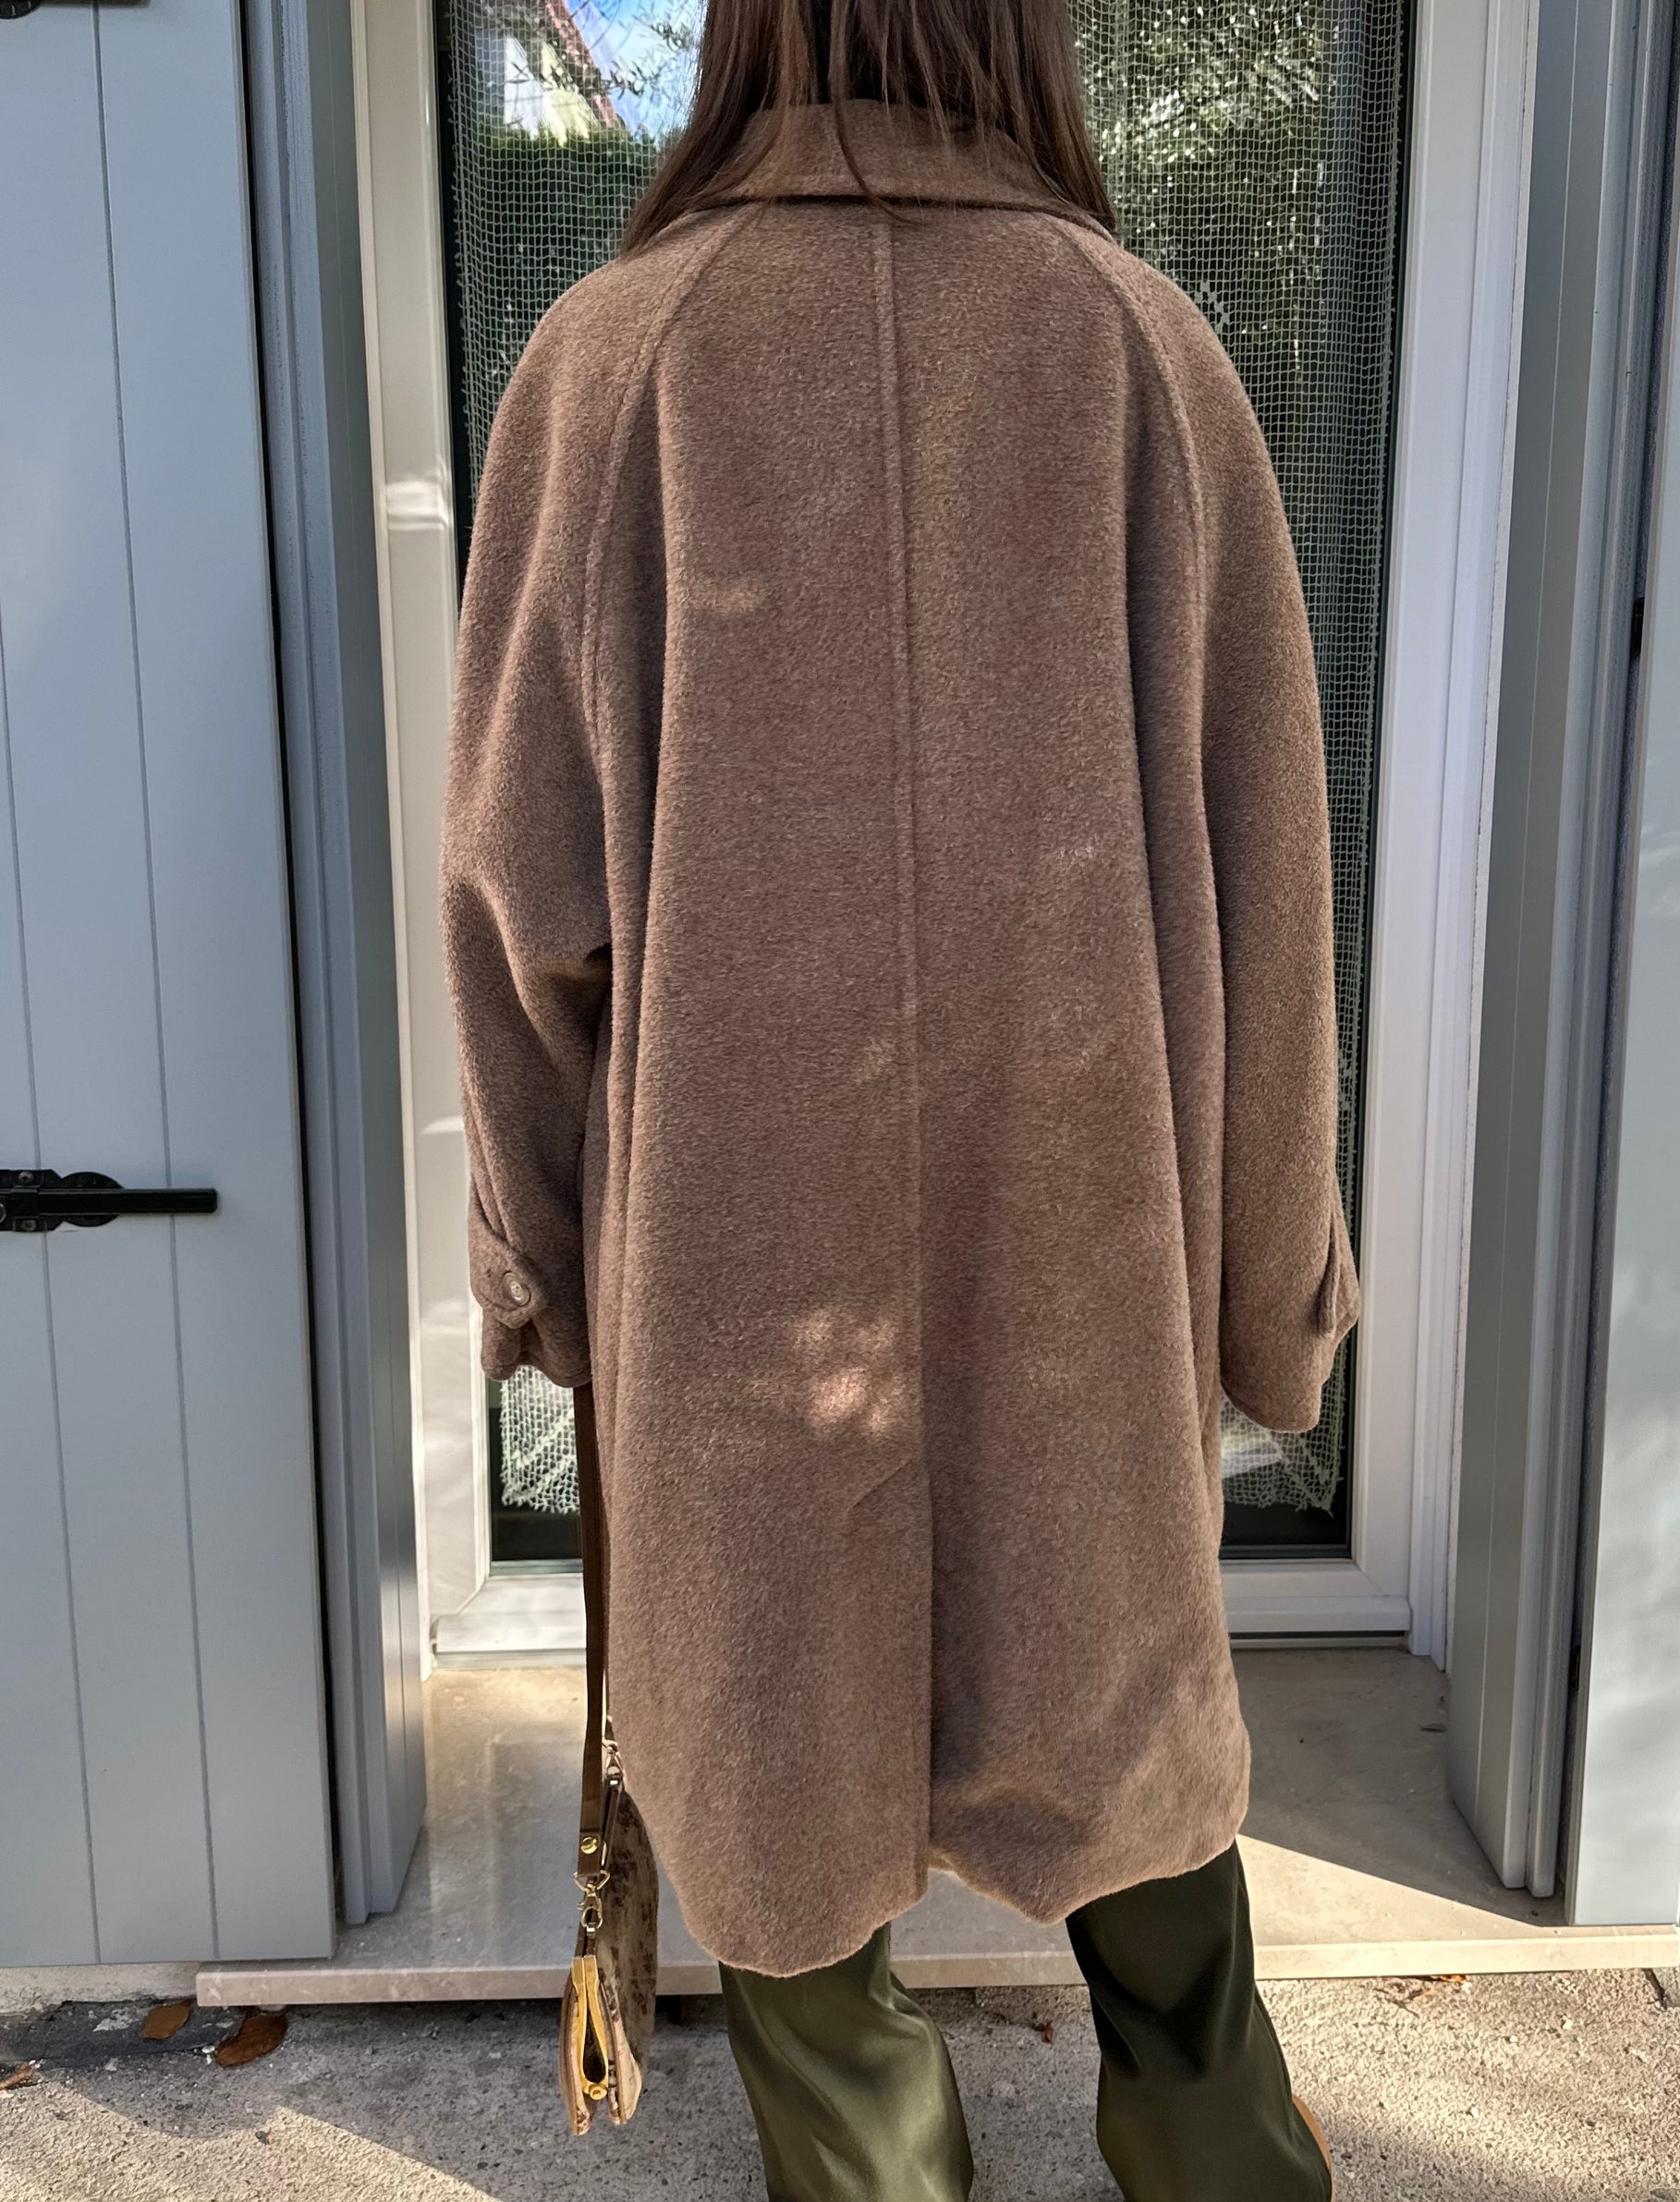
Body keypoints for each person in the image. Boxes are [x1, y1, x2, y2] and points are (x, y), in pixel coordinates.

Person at [440, 0, 1359, 2191]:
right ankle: (1224, 2156)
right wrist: (1272, 1292)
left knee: (775, 1776)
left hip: (730, 1257)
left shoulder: (609, 365)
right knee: (1126, 1719)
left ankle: (873, 2171)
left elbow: (511, 903)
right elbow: (1272, 904)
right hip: (1083, 1245)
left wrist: (544, 1262)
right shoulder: (1146, 356)